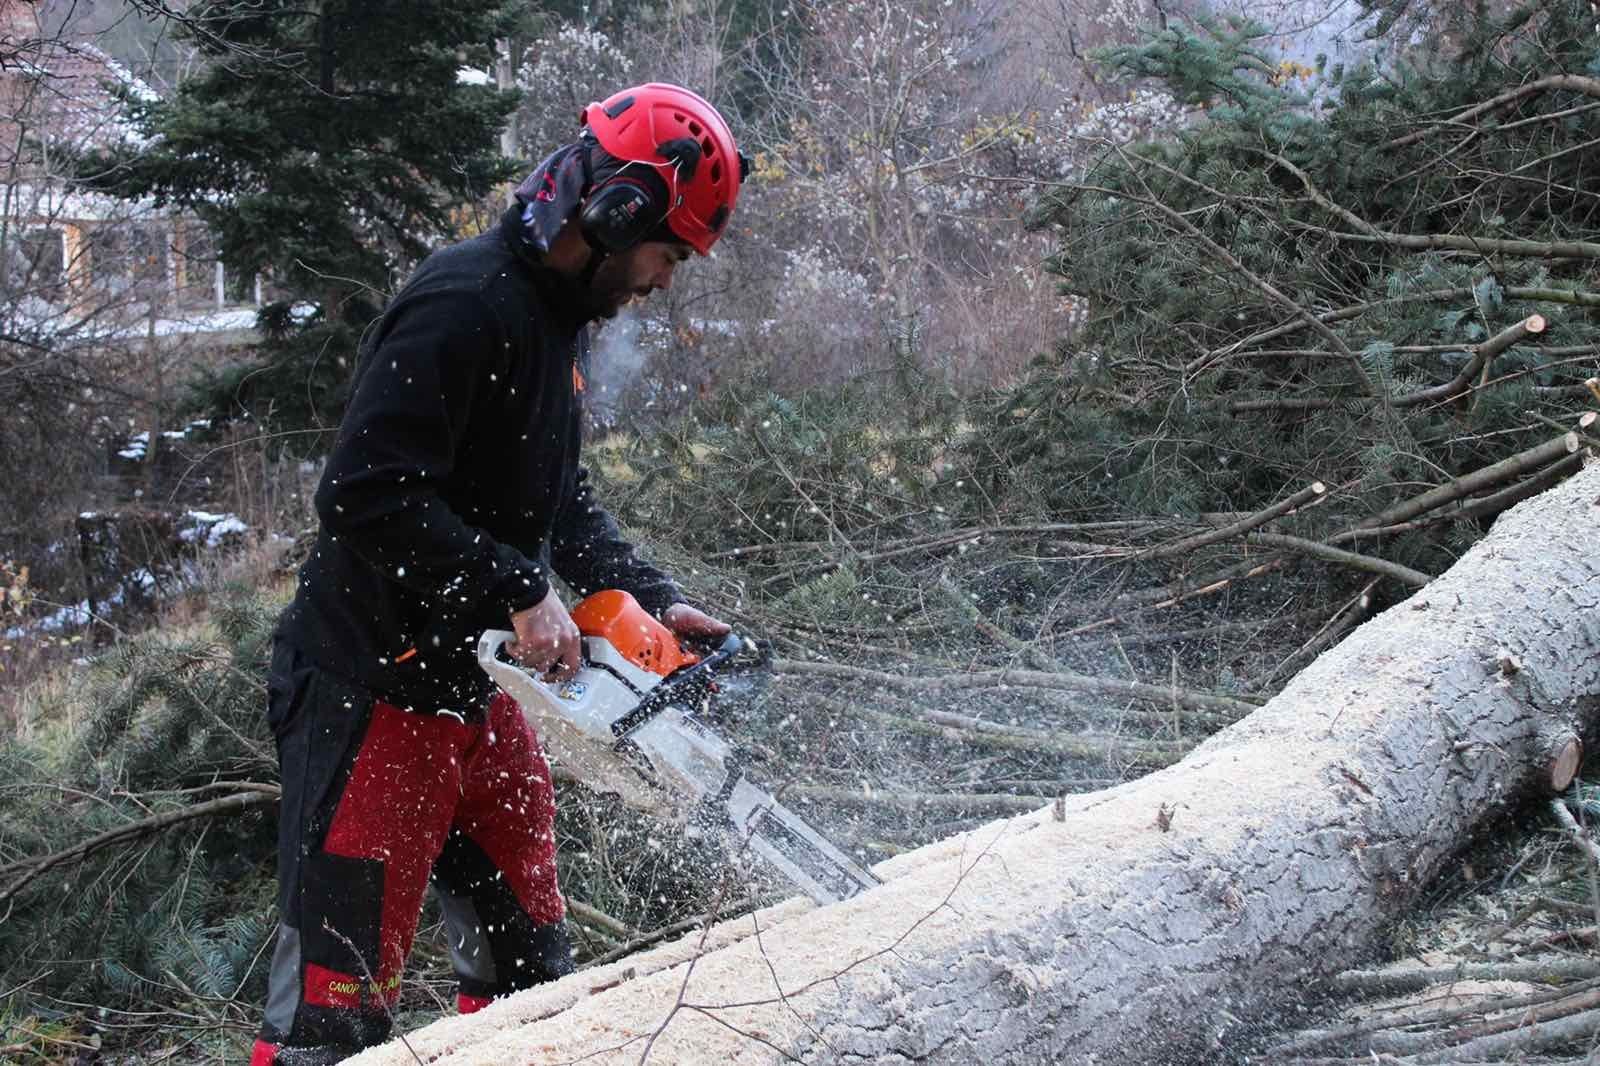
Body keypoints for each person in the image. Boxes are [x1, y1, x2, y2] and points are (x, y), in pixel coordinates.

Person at [250, 83, 748, 1065]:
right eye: (667, 252)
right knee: (332, 1018)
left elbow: (553, 499)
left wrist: (648, 596)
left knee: (533, 969)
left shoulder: (552, 322)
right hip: (371, 697)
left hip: (475, 693)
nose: (662, 279)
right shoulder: (464, 305)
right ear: (620, 212)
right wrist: (519, 589)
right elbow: (360, 493)